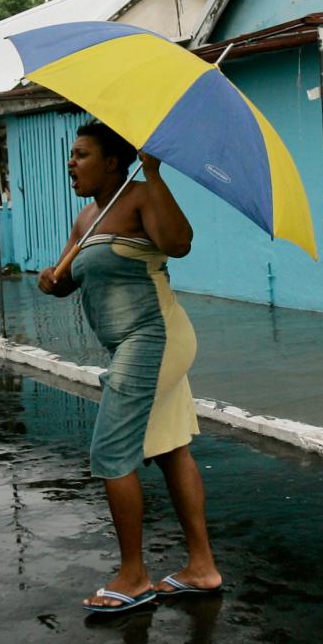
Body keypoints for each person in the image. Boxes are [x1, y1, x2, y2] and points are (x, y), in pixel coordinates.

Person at [38, 120, 223, 613]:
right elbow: (65, 281)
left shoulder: (141, 196)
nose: (71, 163)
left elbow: (179, 243)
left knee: (111, 452)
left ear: (113, 161)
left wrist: (157, 175)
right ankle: (201, 568)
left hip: (155, 337)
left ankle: (133, 576)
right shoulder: (86, 220)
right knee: (170, 449)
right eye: (71, 155)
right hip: (130, 346)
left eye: (81, 154)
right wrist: (50, 281)